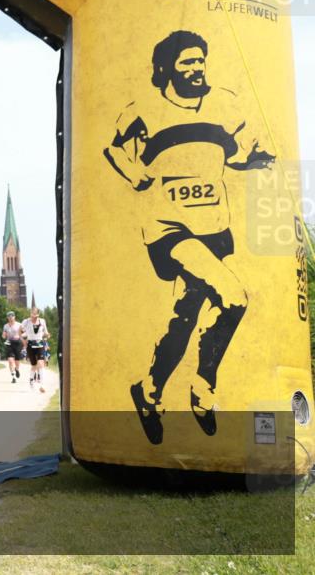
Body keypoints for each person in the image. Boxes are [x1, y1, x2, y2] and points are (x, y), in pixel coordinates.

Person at [103, 30, 274, 444]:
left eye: (200, 62)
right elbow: (114, 148)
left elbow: (233, 157)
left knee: (183, 320)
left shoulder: (225, 104)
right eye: (187, 63)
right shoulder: (144, 108)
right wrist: (134, 172)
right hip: (169, 229)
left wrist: (254, 163)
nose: (197, 69)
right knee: (234, 296)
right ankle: (203, 387)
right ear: (165, 69)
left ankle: (148, 391)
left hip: (215, 227)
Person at [21, 307, 50, 393]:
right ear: (30, 314)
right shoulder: (26, 321)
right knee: (33, 365)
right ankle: (31, 381)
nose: (34, 317)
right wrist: (23, 340)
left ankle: (42, 385)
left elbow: (45, 332)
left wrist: (47, 335)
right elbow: (20, 331)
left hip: (40, 344)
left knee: (41, 363)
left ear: (38, 314)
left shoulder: (42, 321)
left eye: (36, 315)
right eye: (33, 315)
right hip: (30, 344)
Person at [2, 311, 25, 383]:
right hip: (9, 342)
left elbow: (24, 334)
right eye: (9, 317)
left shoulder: (19, 325)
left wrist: (20, 336)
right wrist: (3, 335)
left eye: (12, 316)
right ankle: (13, 376)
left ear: (14, 317)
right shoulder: (5, 326)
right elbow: (4, 334)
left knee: (17, 360)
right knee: (10, 360)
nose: (10, 318)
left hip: (18, 342)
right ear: (7, 318)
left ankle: (17, 369)